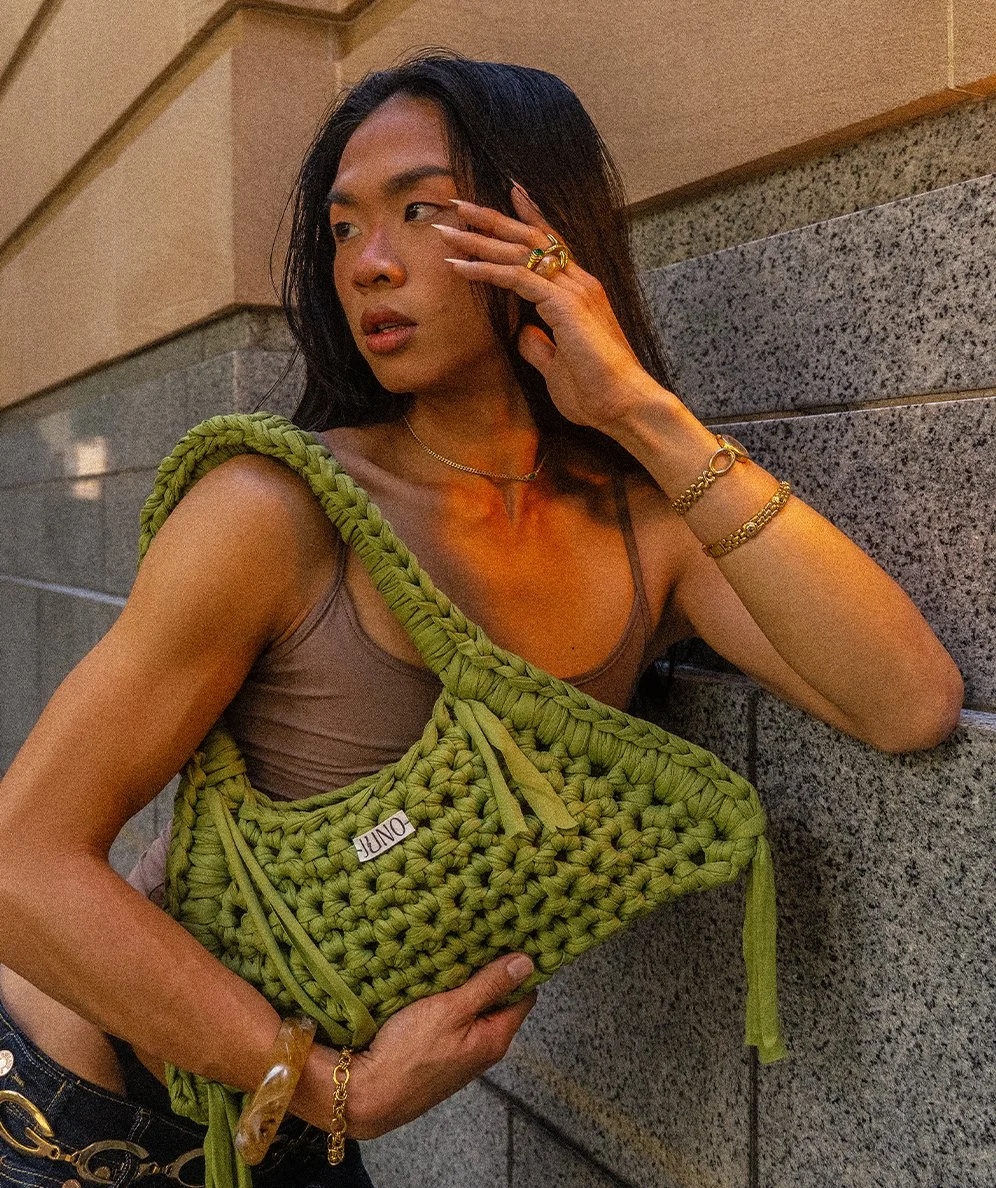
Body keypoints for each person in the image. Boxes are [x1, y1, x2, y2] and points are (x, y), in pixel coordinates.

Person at [0, 51, 962, 1187]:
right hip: (92, 1098)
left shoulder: (645, 531)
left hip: (299, 1131)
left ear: (541, 233)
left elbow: (908, 702)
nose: (369, 264)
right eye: (345, 228)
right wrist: (331, 1090)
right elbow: (23, 859)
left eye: (419, 211)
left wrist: (644, 413)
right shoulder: (275, 508)